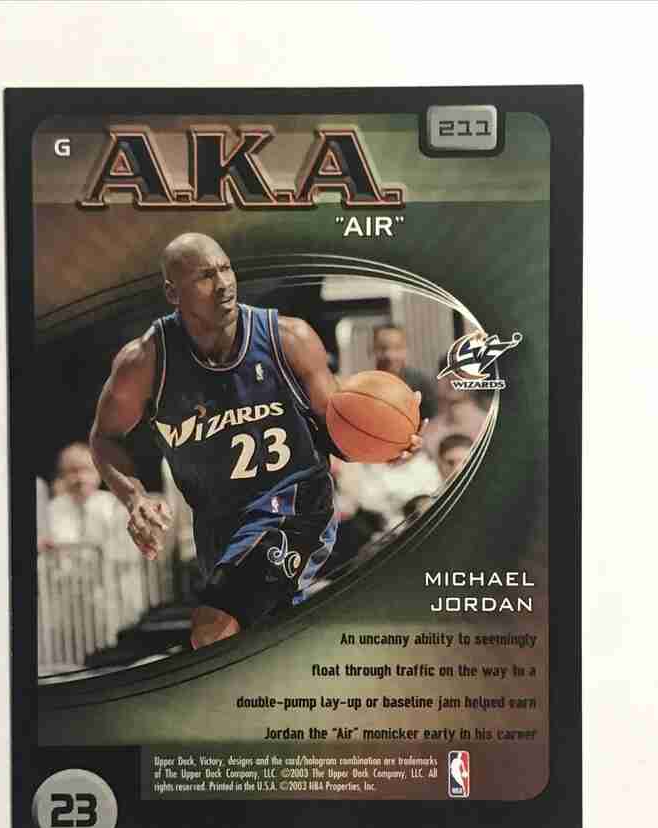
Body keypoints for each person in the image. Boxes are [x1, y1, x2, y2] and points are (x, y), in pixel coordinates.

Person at [90, 233, 422, 650]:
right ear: (173, 293)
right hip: (220, 526)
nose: (224, 284)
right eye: (205, 276)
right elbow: (105, 439)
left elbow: (335, 431)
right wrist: (134, 498)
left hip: (296, 507)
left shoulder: (289, 338)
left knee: (212, 627)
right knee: (260, 644)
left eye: (226, 269)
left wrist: (384, 444)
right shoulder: (145, 362)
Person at [372, 323, 437, 421]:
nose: (389, 355)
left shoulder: (421, 384)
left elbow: (433, 420)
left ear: (406, 350)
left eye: (397, 348)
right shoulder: (364, 385)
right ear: (373, 349)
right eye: (382, 348)